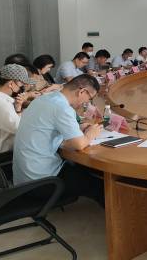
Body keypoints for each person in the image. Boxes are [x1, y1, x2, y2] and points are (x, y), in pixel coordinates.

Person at [13, 74, 105, 205]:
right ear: (82, 92)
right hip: (40, 182)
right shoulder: (62, 108)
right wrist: (91, 134)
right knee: (98, 184)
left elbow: (50, 126)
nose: (87, 102)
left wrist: (78, 127)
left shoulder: (44, 99)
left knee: (80, 169)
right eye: (89, 98)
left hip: (23, 178)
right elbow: (79, 144)